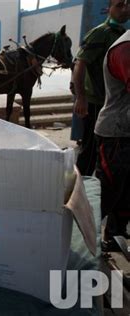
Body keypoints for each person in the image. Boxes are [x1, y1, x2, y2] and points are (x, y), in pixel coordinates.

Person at [72, 0, 128, 175]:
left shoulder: (121, 33)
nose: (124, 10)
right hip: (96, 102)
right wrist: (81, 98)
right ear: (108, 9)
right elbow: (79, 65)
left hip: (110, 100)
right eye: (119, 5)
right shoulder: (100, 33)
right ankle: (78, 193)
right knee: (89, 151)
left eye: (126, 5)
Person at [94, 29, 130, 248]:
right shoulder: (125, 48)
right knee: (105, 195)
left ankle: (115, 237)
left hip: (125, 131)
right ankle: (77, 246)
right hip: (116, 135)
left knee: (125, 195)